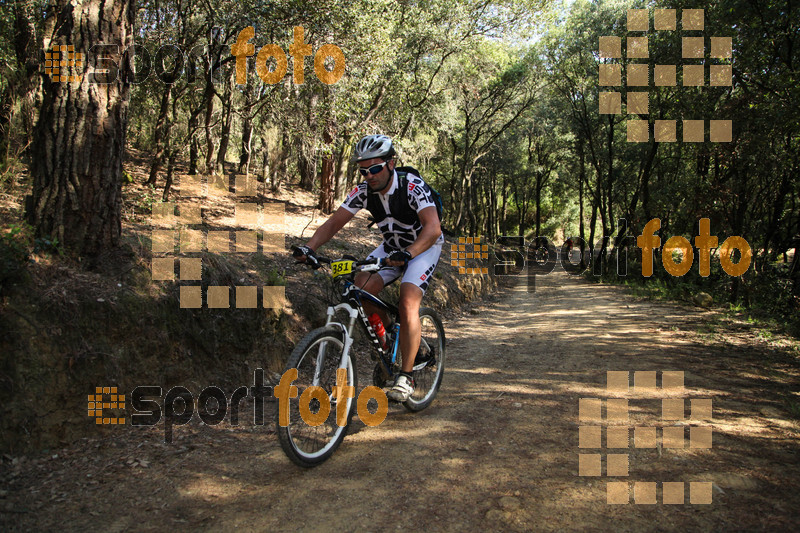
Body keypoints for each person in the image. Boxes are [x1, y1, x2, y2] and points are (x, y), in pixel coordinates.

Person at [293, 134, 443, 402]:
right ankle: (391, 341)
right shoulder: (363, 191)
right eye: (363, 171)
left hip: (423, 247)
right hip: (391, 246)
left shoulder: (412, 186)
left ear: (391, 163)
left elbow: (432, 228)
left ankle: (406, 377)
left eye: (375, 169)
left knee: (408, 301)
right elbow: (333, 223)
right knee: (360, 288)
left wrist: (408, 253)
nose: (369, 175)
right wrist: (310, 248)